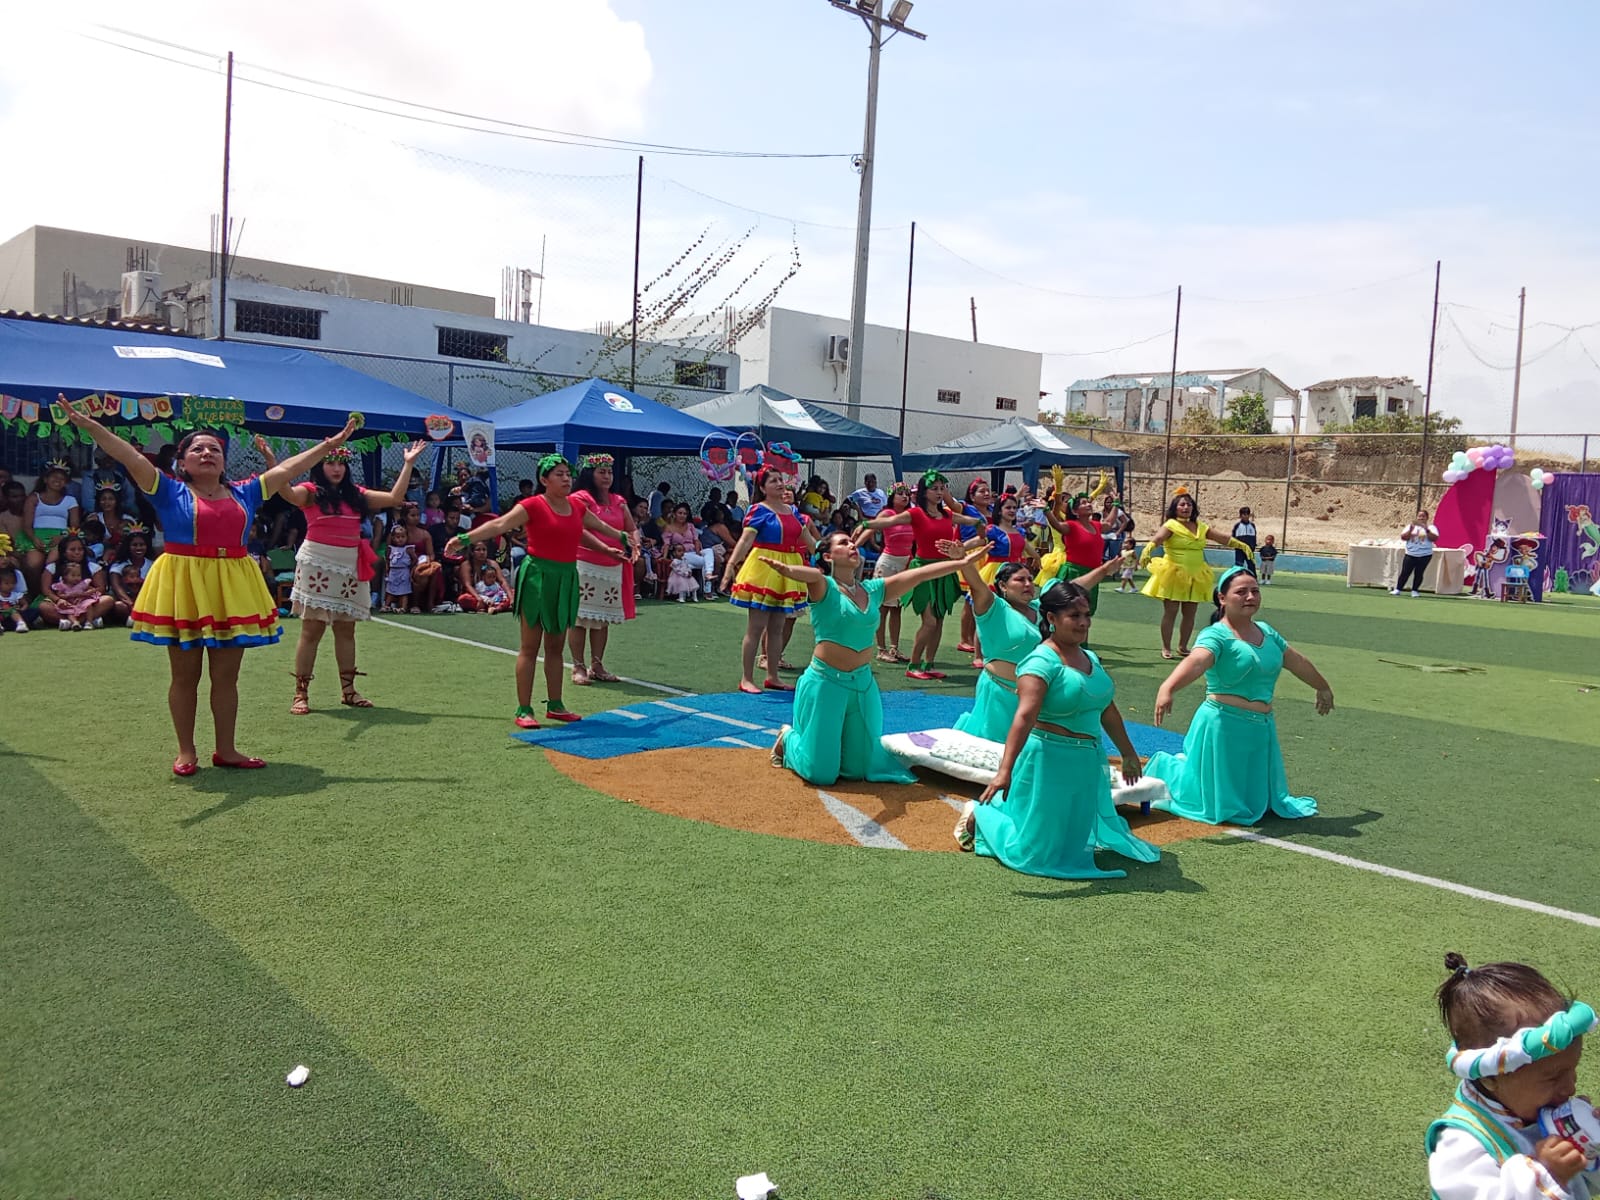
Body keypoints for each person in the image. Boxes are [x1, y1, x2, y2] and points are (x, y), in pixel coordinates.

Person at [64, 400, 358, 775]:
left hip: (231, 587)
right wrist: (90, 426)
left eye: (215, 449)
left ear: (223, 461)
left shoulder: (247, 492)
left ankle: (226, 749)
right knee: (185, 676)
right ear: (182, 462)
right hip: (184, 585)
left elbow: (289, 468)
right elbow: (128, 455)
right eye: (198, 449)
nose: (207, 453)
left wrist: (330, 444)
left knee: (226, 677)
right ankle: (186, 751)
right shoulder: (167, 490)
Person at [956, 581, 1152, 878]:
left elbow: (1107, 710)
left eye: (1086, 615)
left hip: (1086, 760)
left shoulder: (1090, 659)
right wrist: (1005, 771)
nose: (1083, 623)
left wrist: (1128, 754)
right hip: (1047, 759)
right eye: (1074, 616)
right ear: (1051, 618)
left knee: (1069, 846)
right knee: (1033, 854)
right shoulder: (1040, 661)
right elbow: (1023, 717)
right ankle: (980, 816)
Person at [767, 533, 986, 786]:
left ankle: (831, 746)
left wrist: (961, 563)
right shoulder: (824, 586)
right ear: (828, 556)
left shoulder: (874, 590)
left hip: (862, 685)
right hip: (826, 684)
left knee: (857, 770)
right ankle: (787, 739)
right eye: (843, 543)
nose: (852, 545)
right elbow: (811, 575)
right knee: (821, 774)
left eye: (852, 542)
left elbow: (920, 574)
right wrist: (787, 570)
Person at [1145, 566, 1332, 825]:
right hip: (1223, 726)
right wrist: (1168, 687)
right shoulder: (1216, 634)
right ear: (1222, 598)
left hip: (1260, 728)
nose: (1250, 597)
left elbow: (1296, 661)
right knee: (1215, 802)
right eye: (1241, 592)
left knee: (1252, 800)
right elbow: (1197, 662)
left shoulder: (1267, 631)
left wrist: (1322, 687)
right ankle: (1166, 768)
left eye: (1255, 591)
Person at [453, 454, 627, 728]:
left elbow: (593, 528)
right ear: (544, 480)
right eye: (559, 474)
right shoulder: (532, 505)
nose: (566, 478)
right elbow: (499, 524)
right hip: (537, 578)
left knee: (555, 647)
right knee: (530, 647)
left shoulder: (576, 506)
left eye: (568, 474)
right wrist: (465, 538)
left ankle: (555, 705)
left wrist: (615, 543)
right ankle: (524, 709)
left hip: (565, 578)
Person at [1428, 953, 1599, 1200]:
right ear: (1490, 1078)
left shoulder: (1533, 1108)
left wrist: (1591, 1145)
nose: (1570, 1088)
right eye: (1553, 1078)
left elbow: (1586, 1185)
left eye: (1573, 1070)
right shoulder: (1463, 1143)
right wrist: (1547, 1174)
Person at [275, 440, 427, 715]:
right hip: (318, 563)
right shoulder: (310, 493)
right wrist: (272, 462)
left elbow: (395, 498)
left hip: (349, 564)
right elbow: (285, 490)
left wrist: (408, 463)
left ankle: (348, 690)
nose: (337, 469)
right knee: (312, 629)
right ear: (320, 466)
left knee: (346, 629)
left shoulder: (356, 495)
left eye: (341, 463)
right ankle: (301, 692)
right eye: (330, 463)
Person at [854, 471, 983, 680]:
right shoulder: (916, 514)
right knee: (929, 621)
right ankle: (914, 664)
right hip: (922, 570)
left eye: (942, 488)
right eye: (934, 489)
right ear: (924, 492)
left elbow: (976, 522)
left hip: (944, 570)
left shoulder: (948, 515)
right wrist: (865, 524)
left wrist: (977, 536)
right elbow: (889, 521)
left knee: (939, 620)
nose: (939, 492)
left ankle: (928, 664)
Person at [721, 468, 820, 694]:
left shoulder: (793, 511)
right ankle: (746, 678)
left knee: (777, 628)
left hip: (788, 569)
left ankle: (772, 676)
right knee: (756, 627)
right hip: (764, 567)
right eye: (773, 481)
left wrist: (829, 554)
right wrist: (731, 565)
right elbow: (745, 541)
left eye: (780, 479)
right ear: (762, 488)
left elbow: (810, 542)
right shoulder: (759, 510)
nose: (779, 483)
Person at [1140, 490, 1256, 660]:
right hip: (1174, 573)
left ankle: (1183, 646)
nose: (1186, 507)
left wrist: (1240, 545)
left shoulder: (1201, 527)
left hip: (1196, 574)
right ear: (1175, 508)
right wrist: (1149, 547)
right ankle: (1166, 647)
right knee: (1171, 611)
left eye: (1189, 504)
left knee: (1190, 613)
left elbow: (1222, 538)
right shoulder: (1171, 525)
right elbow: (1158, 538)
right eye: (1182, 504)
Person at [569, 454, 640, 685]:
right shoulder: (580, 498)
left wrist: (635, 546)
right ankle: (578, 666)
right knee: (580, 617)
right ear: (590, 474)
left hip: (612, 565)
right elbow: (579, 528)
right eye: (602, 472)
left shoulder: (618, 501)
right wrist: (605, 548)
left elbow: (631, 528)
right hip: (584, 563)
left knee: (602, 618)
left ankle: (597, 665)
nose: (607, 476)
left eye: (609, 472)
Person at [854, 482, 914, 663]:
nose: (905, 497)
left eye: (907, 494)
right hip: (888, 563)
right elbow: (870, 529)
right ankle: (881, 649)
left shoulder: (910, 515)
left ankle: (894, 648)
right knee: (883, 607)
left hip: (905, 563)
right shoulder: (887, 514)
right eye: (900, 494)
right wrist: (854, 546)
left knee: (897, 608)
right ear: (891, 497)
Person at [19, 459, 81, 591]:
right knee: (33, 564)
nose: (58, 480)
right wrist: (35, 539)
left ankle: (51, 591)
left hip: (60, 537)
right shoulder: (34, 498)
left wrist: (62, 537)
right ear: (45, 479)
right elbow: (27, 525)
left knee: (50, 564)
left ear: (66, 482)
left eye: (62, 478)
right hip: (36, 536)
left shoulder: (70, 500)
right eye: (54, 477)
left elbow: (75, 525)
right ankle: (34, 592)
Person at [109, 527, 153, 624]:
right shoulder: (119, 565)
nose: (138, 548)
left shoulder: (153, 564)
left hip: (146, 601)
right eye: (134, 545)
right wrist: (132, 605)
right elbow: (117, 588)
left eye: (142, 545)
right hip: (127, 602)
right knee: (119, 606)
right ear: (128, 546)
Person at [1394, 509, 1440, 597]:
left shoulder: (1431, 527)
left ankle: (1415, 590)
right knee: (1405, 572)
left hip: (1425, 554)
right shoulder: (1410, 526)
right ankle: (1398, 589)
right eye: (1419, 516)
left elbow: (1434, 538)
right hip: (1411, 553)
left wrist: (1426, 529)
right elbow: (1403, 537)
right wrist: (1410, 530)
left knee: (1419, 573)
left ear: (1427, 518)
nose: (1421, 518)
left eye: (1423, 516)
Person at [457, 542, 513, 613]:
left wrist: (511, 598)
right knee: (463, 599)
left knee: (514, 593)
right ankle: (498, 607)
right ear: (472, 552)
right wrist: (479, 598)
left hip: (495, 595)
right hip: (476, 596)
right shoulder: (466, 565)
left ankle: (495, 607)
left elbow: (502, 581)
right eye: (478, 550)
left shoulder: (492, 563)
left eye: (484, 550)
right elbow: (467, 585)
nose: (482, 552)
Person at [382, 522, 418, 613]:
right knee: (390, 590)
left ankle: (403, 607)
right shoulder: (390, 548)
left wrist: (410, 566)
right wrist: (387, 568)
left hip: (403, 571)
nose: (400, 539)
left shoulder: (408, 549)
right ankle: (387, 605)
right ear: (393, 538)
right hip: (393, 571)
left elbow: (415, 559)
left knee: (404, 591)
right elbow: (387, 559)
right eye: (398, 537)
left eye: (403, 537)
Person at [0, 561, 27, 633]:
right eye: (7, 583)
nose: (10, 586)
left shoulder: (16, 595)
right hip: (1, 614)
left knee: (12, 610)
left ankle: (21, 624)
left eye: (13, 583)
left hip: (12, 613)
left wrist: (22, 609)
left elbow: (25, 604)